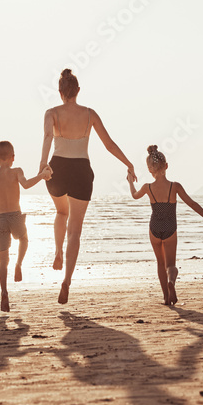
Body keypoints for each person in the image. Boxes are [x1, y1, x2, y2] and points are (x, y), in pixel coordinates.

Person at [39, 69, 136, 304]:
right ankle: (67, 281)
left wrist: (43, 164)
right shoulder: (90, 114)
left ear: (60, 92)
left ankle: (58, 251)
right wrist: (129, 163)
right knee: (75, 230)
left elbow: (47, 138)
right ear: (78, 91)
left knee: (61, 212)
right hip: (81, 171)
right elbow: (109, 144)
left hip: (58, 169)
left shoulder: (51, 113)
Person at [130, 145, 203, 306]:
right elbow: (192, 204)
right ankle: (171, 281)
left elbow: (135, 195)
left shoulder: (147, 187)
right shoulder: (174, 186)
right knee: (170, 265)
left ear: (150, 170)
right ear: (166, 166)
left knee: (160, 263)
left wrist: (130, 182)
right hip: (170, 227)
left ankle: (166, 297)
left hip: (154, 228)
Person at [0, 141, 52, 312]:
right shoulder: (17, 171)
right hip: (15, 217)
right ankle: (19, 264)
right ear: (13, 158)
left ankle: (4, 292)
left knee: (2, 259)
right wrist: (41, 175)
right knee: (24, 240)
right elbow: (26, 185)